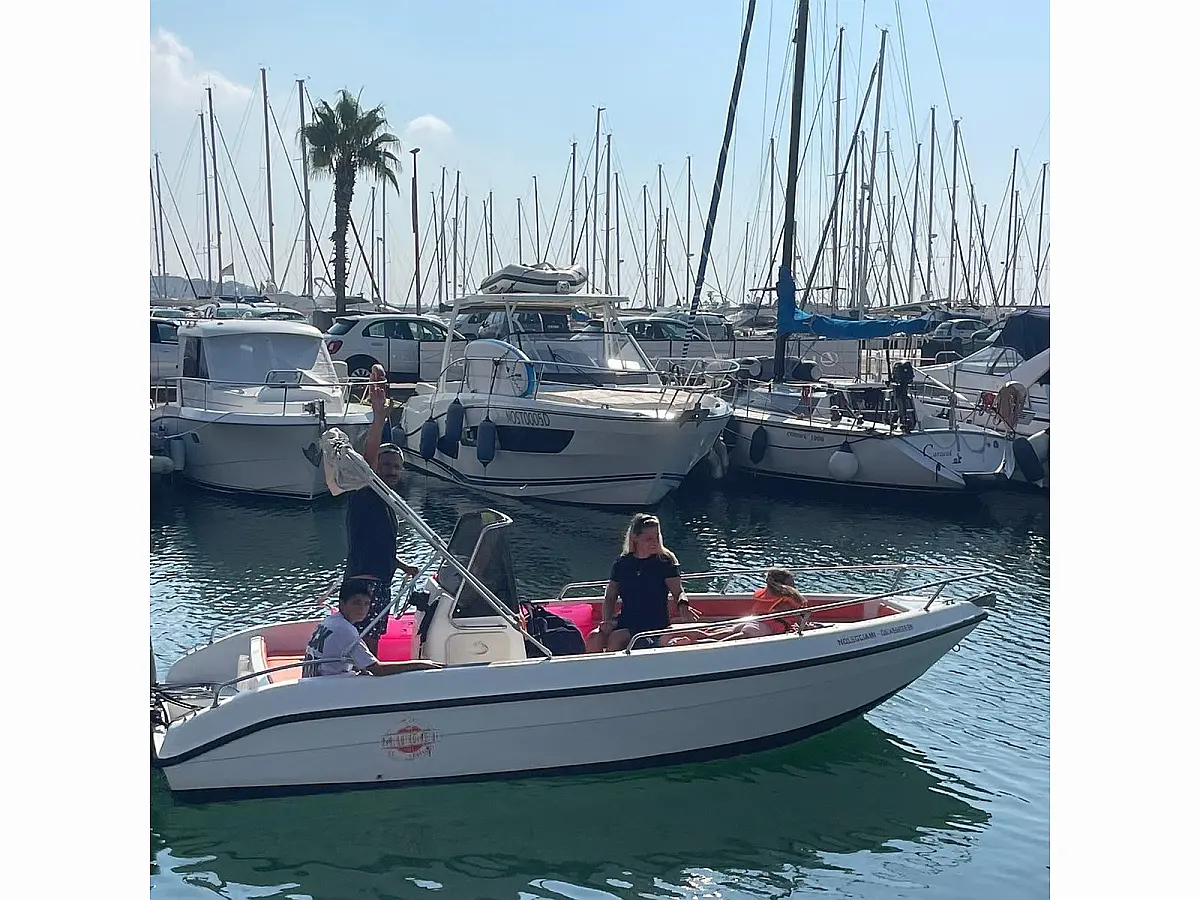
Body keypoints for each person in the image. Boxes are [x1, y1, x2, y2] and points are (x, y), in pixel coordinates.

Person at [345, 366, 420, 656]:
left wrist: (403, 566)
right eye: (386, 465)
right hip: (366, 584)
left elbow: (378, 544)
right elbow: (368, 459)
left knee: (371, 637)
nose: (391, 471)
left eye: (396, 467)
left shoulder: (386, 501)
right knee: (366, 643)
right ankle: (361, 678)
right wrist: (378, 419)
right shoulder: (367, 491)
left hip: (379, 580)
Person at [586, 513, 698, 653]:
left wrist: (683, 603)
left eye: (656, 537)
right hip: (627, 618)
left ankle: (610, 666)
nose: (654, 542)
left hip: (653, 622)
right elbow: (610, 596)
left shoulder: (664, 562)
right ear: (635, 538)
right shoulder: (622, 563)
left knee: (616, 638)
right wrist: (607, 620)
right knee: (595, 637)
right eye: (649, 539)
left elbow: (678, 592)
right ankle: (589, 665)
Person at [300, 580, 442, 677]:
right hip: (328, 685)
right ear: (342, 604)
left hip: (313, 679)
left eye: (366, 604)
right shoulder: (345, 630)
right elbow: (378, 669)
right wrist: (420, 664)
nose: (362, 609)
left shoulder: (330, 621)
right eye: (356, 603)